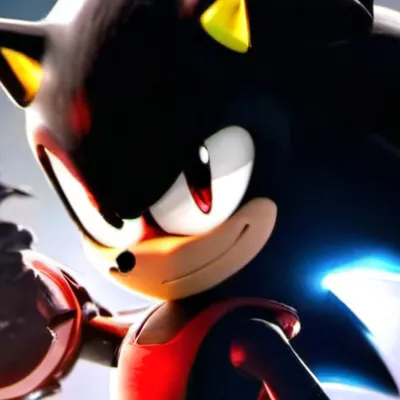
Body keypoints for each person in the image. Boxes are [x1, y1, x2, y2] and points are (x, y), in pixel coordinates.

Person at [0, 0, 399, 398]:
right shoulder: (169, 325)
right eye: (107, 222)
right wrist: (40, 316)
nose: (139, 255)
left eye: (196, 193)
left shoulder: (249, 334)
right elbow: (101, 341)